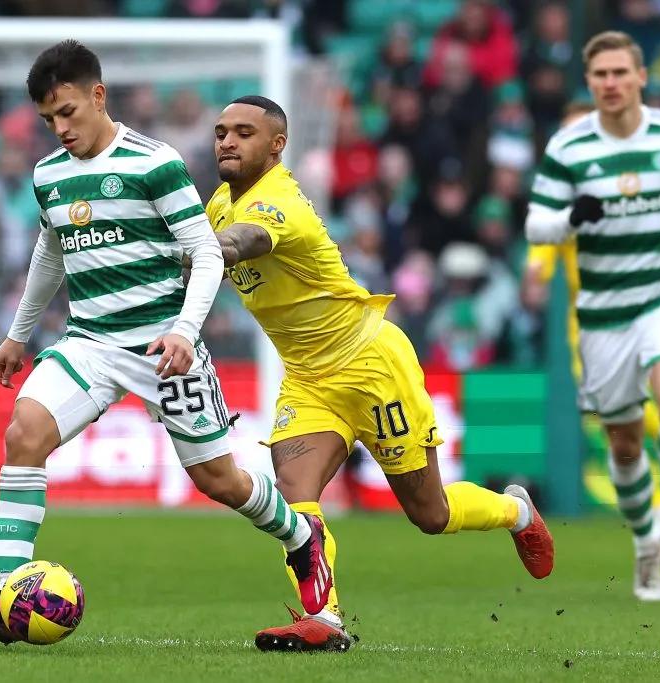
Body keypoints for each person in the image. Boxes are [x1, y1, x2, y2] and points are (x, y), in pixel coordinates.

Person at [0, 41, 331, 644]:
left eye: (68, 112)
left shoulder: (155, 163)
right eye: (48, 119)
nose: (60, 128)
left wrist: (183, 330)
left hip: (162, 347)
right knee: (23, 434)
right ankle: (10, 592)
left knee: (220, 481)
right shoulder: (48, 174)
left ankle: (302, 540)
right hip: (88, 343)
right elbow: (50, 249)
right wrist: (18, 334)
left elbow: (204, 253)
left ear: (98, 95)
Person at [204, 95, 555, 653]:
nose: (226, 141)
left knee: (430, 513)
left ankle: (516, 511)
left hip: (370, 366)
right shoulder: (220, 202)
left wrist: (198, 250)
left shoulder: (282, 205)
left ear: (276, 144)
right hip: (308, 378)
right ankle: (326, 618)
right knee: (296, 499)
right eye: (221, 131)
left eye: (243, 132)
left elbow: (239, 244)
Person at [525, 31, 660, 601]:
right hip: (605, 308)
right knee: (626, 445)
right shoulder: (569, 146)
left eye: (619, 73)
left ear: (640, 76)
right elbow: (537, 223)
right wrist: (569, 218)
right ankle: (645, 545)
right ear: (589, 82)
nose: (610, 83)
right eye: (599, 75)